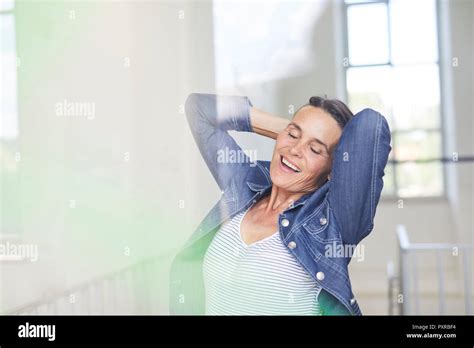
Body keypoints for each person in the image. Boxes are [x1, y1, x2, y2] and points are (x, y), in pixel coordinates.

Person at [170, 93, 391, 315]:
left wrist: (303, 135)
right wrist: (289, 132)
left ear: (335, 170)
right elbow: (199, 109)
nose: (295, 150)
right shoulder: (245, 182)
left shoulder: (333, 224)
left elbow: (371, 126)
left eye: (315, 150)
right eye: (293, 134)